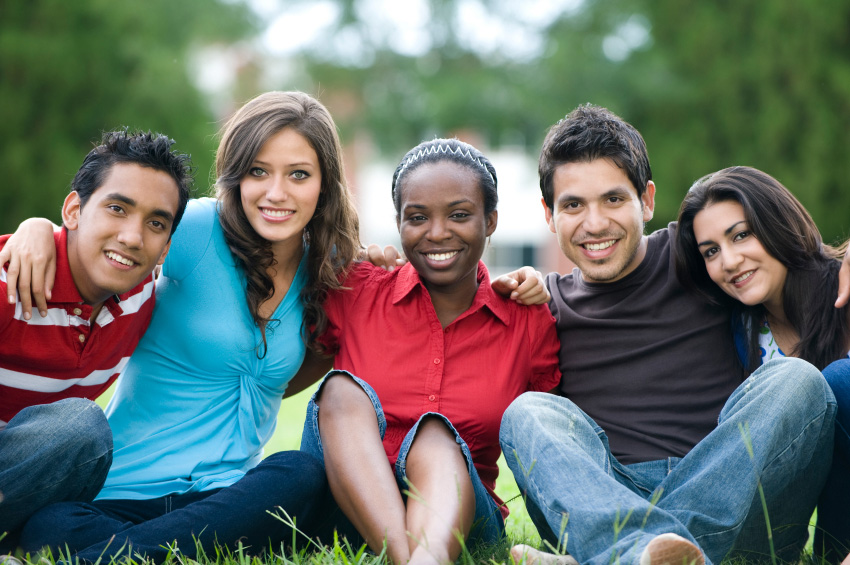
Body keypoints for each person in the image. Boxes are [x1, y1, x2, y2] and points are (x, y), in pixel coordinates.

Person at [5, 91, 361, 563]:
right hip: (122, 493)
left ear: (324, 184)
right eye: (258, 171)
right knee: (53, 525)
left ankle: (109, 558)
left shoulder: (331, 270)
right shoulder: (197, 227)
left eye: (298, 174)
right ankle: (153, 551)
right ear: (236, 176)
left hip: (227, 495)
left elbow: (303, 363)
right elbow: (117, 239)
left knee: (300, 472)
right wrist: (36, 228)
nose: (277, 193)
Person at [496, 105, 838, 565]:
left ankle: (622, 556)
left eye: (614, 199)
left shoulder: (696, 256)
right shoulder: (542, 305)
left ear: (648, 200)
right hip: (604, 495)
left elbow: (781, 253)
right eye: (573, 205)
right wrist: (378, 265)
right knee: (528, 412)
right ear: (549, 214)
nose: (595, 223)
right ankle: (643, 553)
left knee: (797, 380)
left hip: (738, 494)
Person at [300, 138, 562, 565]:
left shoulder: (526, 318)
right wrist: (348, 254)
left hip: (462, 513)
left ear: (490, 220)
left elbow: (553, 430)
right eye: (417, 217)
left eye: (459, 215)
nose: (437, 232)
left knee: (436, 435)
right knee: (342, 391)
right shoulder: (356, 288)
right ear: (399, 223)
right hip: (346, 504)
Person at [0, 130, 192, 550]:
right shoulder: (8, 281)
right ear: (73, 209)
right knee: (81, 425)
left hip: (24, 481)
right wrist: (35, 228)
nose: (132, 237)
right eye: (117, 208)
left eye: (155, 223)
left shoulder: (143, 297)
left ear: (165, 249)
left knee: (83, 438)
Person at [674, 165, 850, 564]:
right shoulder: (744, 334)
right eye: (711, 252)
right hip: (831, 532)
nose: (730, 261)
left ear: (777, 223)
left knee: (839, 381)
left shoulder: (846, 287)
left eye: (741, 235)